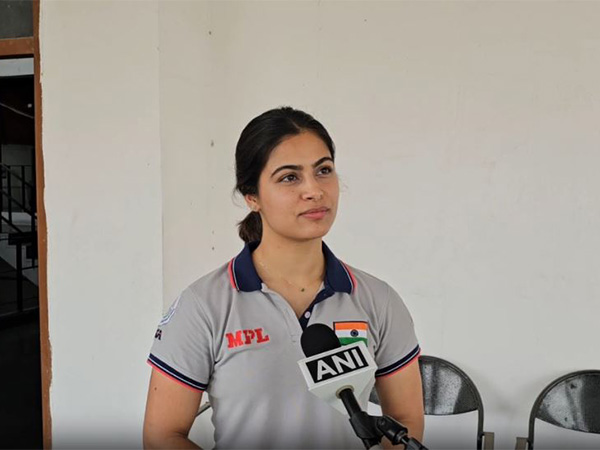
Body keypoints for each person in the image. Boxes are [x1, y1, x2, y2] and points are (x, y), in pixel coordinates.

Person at [143, 106, 424, 449]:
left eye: (323, 170)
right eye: (289, 177)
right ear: (252, 196)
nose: (314, 190)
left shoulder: (378, 300)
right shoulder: (203, 306)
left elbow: (406, 422)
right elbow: (162, 435)